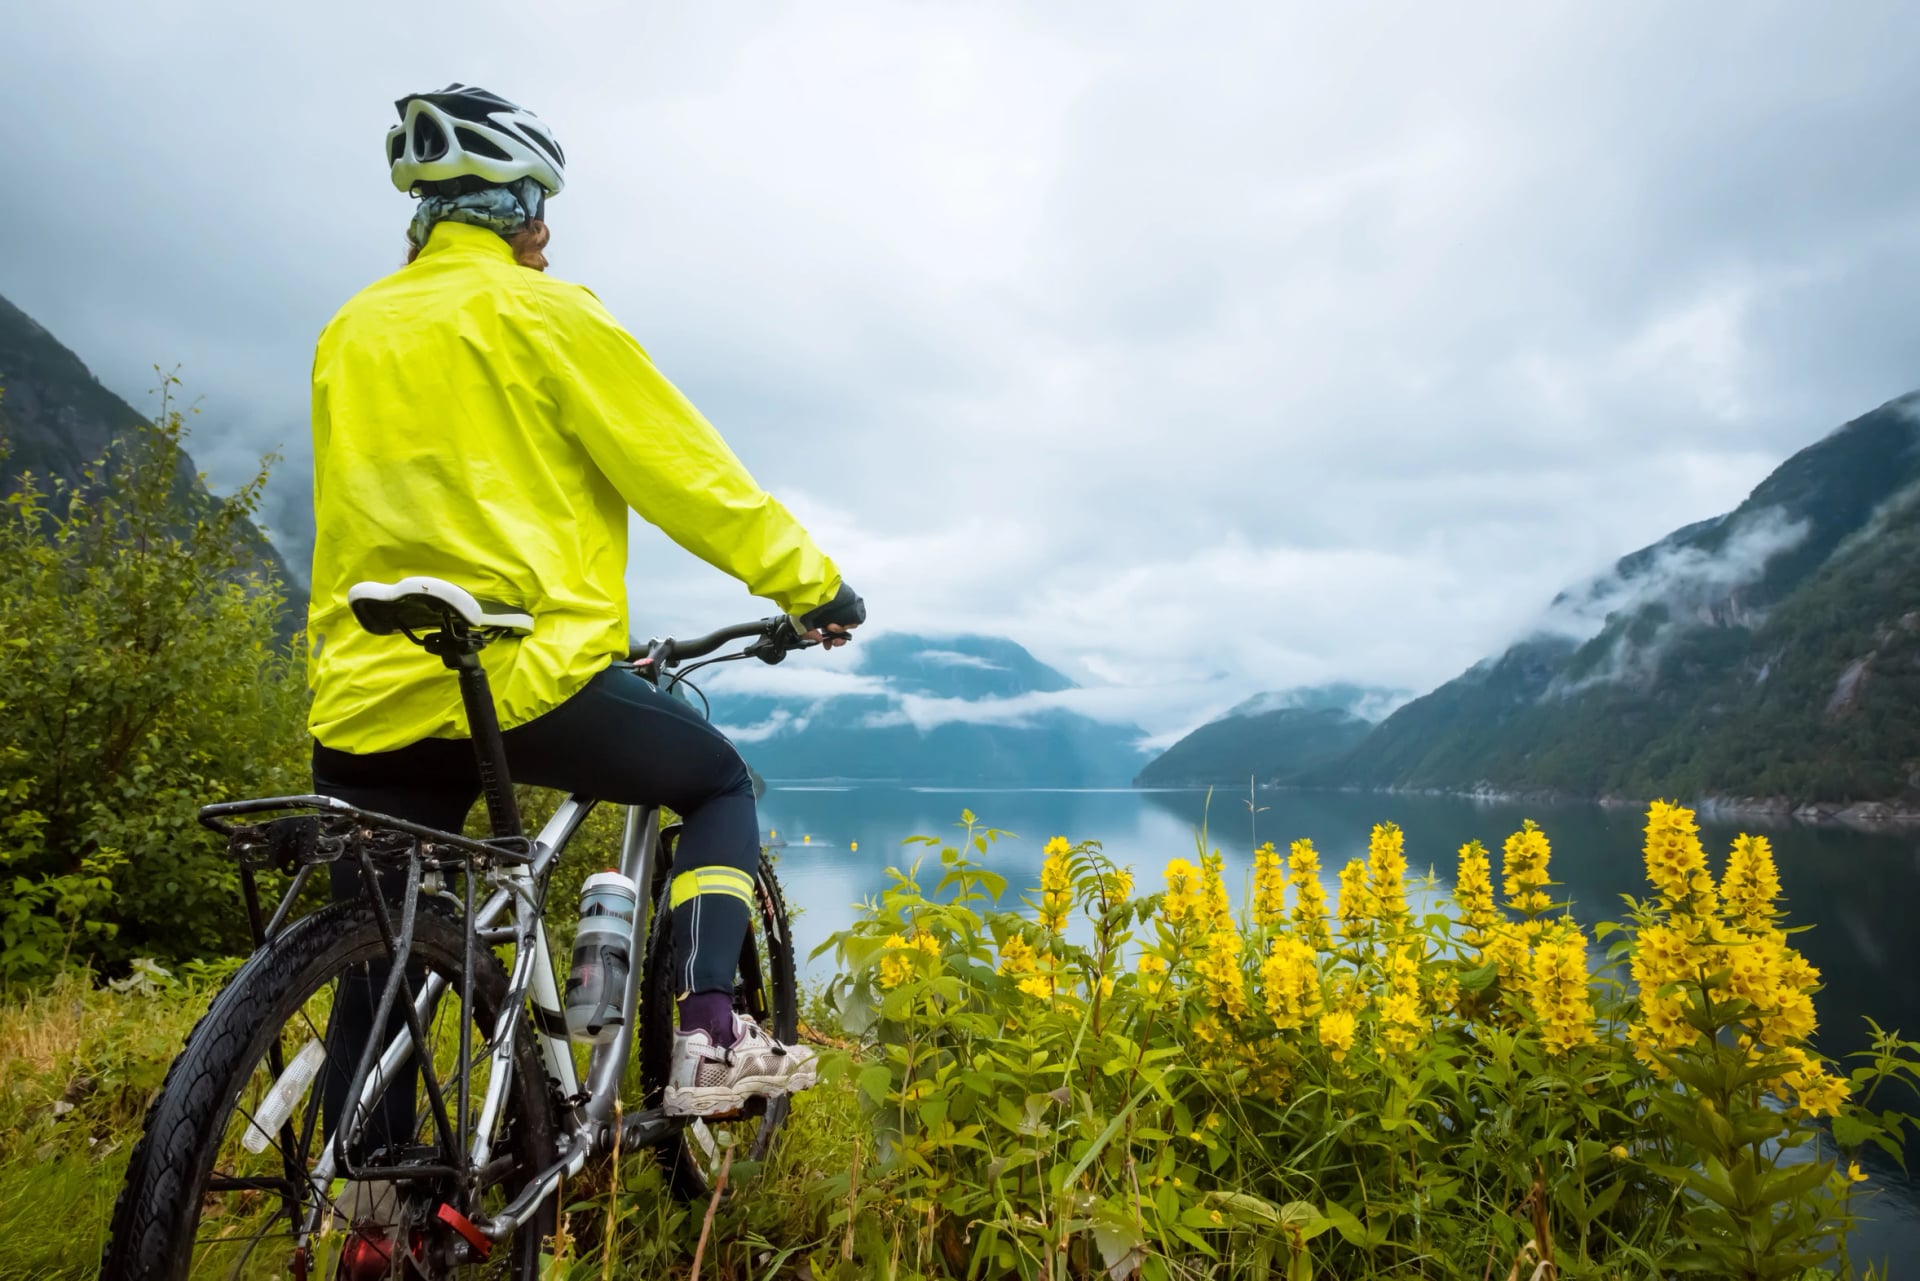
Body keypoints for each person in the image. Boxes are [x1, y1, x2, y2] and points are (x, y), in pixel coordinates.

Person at [307, 83, 864, 1153]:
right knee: (715, 782)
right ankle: (708, 1029)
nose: (545, 235)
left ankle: (371, 1194)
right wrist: (810, 587)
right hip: (522, 680)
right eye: (538, 211)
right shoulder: (550, 314)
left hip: (364, 691)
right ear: (516, 207)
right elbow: (689, 476)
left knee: (375, 958)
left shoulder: (349, 331)